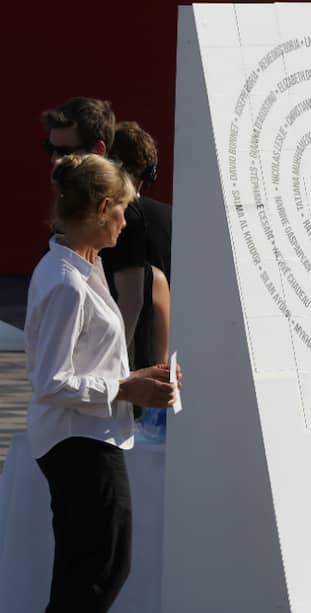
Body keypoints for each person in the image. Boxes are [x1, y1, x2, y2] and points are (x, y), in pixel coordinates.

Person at [24, 154, 178, 612]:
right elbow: (51, 381)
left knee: (92, 570)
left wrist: (134, 377)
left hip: (86, 439)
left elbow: (80, 364)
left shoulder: (80, 271)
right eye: (121, 213)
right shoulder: (67, 282)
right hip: (79, 445)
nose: (125, 225)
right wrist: (125, 389)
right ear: (102, 206)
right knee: (98, 571)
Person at [40, 98, 148, 361]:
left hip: (111, 377)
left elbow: (131, 300)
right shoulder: (68, 209)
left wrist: (120, 373)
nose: (56, 160)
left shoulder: (122, 214)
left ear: (98, 150)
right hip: (88, 381)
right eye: (50, 149)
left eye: (65, 151)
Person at [109, 121, 173, 366]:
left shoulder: (123, 220)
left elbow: (130, 300)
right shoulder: (171, 217)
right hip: (171, 354)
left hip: (133, 359)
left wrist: (111, 363)